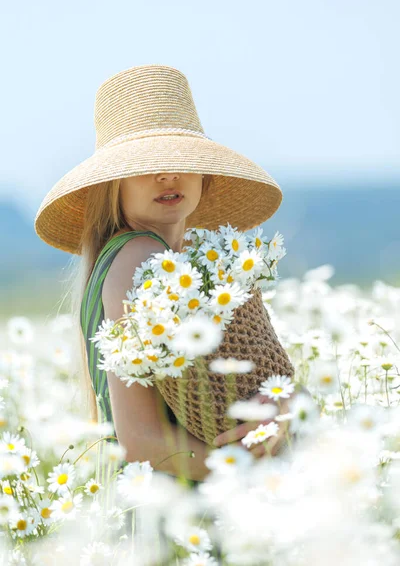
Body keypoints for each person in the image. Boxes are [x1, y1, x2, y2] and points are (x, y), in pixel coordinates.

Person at [34, 63, 302, 495]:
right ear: (112, 184)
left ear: (204, 173)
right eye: (146, 165)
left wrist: (281, 405)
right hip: (179, 509)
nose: (167, 174)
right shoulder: (137, 256)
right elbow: (141, 440)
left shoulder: (190, 258)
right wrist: (245, 468)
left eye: (181, 160)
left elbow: (262, 378)